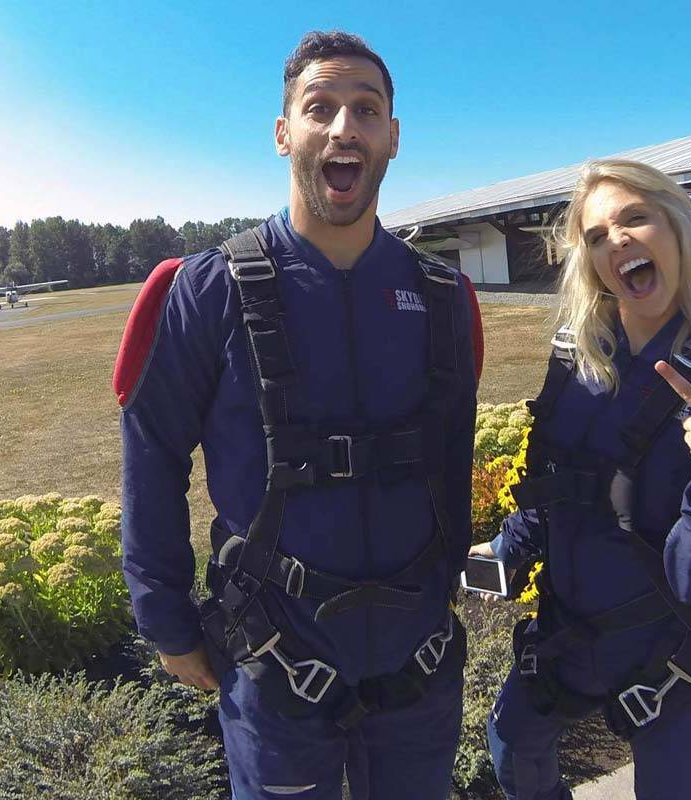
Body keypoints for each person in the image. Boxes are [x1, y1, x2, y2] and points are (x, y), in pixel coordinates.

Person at [113, 30, 481, 800]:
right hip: (277, 667)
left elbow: (451, 453)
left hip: (419, 664)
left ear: (393, 138)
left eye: (367, 110)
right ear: (285, 134)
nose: (344, 126)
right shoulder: (209, 290)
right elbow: (152, 451)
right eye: (321, 108)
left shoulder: (443, 297)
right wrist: (166, 617)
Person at [472, 159, 691, 800]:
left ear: (681, 233)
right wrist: (507, 550)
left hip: (673, 657)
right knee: (512, 748)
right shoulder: (577, 361)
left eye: (635, 218)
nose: (615, 240)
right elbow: (551, 488)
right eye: (595, 236)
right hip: (568, 636)